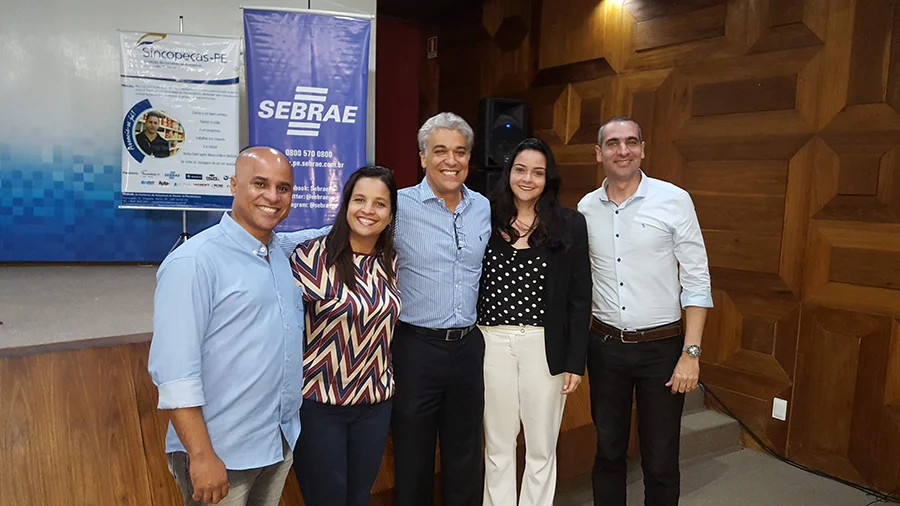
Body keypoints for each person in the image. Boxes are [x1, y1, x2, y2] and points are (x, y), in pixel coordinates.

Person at [148, 146, 301, 506]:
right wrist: (201, 456)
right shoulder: (194, 261)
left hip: (275, 442)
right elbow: (175, 373)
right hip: (220, 455)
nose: (272, 196)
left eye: (283, 188)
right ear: (233, 185)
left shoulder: (278, 254)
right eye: (260, 184)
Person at [577, 117, 713, 506]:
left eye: (631, 142)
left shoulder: (674, 200)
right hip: (605, 347)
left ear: (642, 149)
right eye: (613, 143)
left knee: (661, 456)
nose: (623, 151)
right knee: (608, 452)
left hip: (662, 349)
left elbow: (696, 279)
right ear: (599, 153)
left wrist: (691, 353)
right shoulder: (586, 208)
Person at [477, 138, 592, 506]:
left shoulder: (570, 223)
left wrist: (575, 360)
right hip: (491, 342)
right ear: (508, 173)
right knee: (498, 445)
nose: (528, 179)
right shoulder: (483, 216)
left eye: (538, 172)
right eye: (520, 170)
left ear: (548, 178)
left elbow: (580, 297)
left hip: (545, 345)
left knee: (541, 447)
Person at [391, 112, 491, 506]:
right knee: (413, 458)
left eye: (460, 152)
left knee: (466, 458)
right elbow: (341, 234)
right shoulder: (398, 205)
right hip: (415, 348)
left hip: (468, 348)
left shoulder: (483, 206)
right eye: (440, 151)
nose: (451, 160)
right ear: (422, 157)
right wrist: (268, 242)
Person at [288, 166, 402, 506]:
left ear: (390, 215)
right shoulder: (311, 256)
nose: (368, 210)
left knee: (359, 497)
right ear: (346, 204)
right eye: (360, 200)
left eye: (380, 204)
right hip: (320, 406)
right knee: (327, 499)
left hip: (374, 404)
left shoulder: (390, 261)